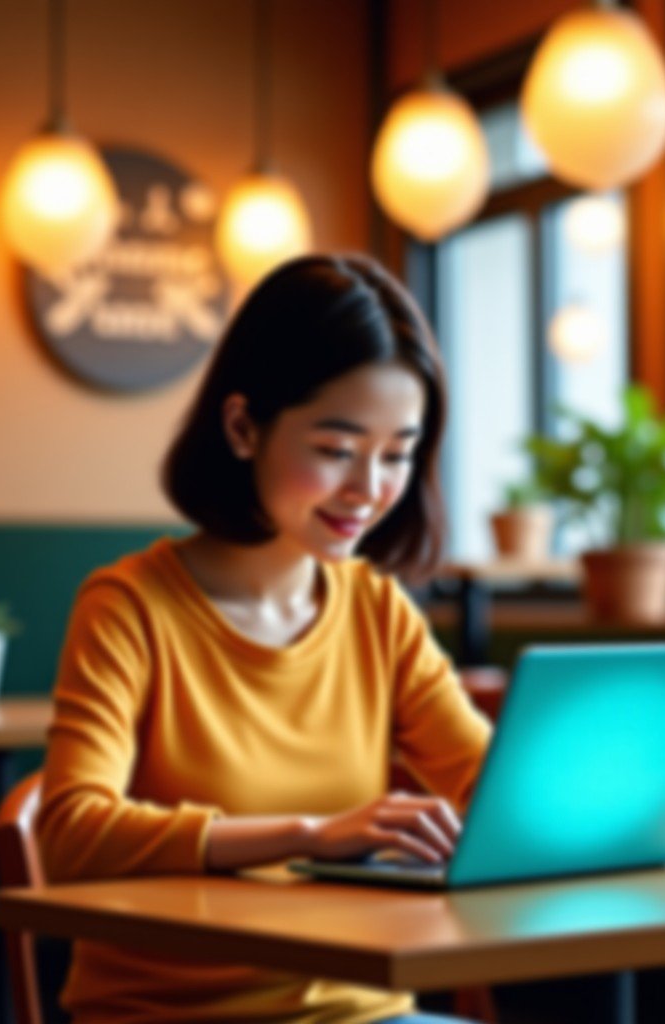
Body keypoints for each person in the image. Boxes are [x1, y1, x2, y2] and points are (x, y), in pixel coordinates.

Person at [37, 253, 493, 1024]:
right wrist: (313, 834)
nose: (370, 489)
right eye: (336, 450)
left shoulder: (378, 611)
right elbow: (71, 833)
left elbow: (486, 786)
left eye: (397, 454)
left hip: (368, 1013)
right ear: (244, 427)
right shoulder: (130, 607)